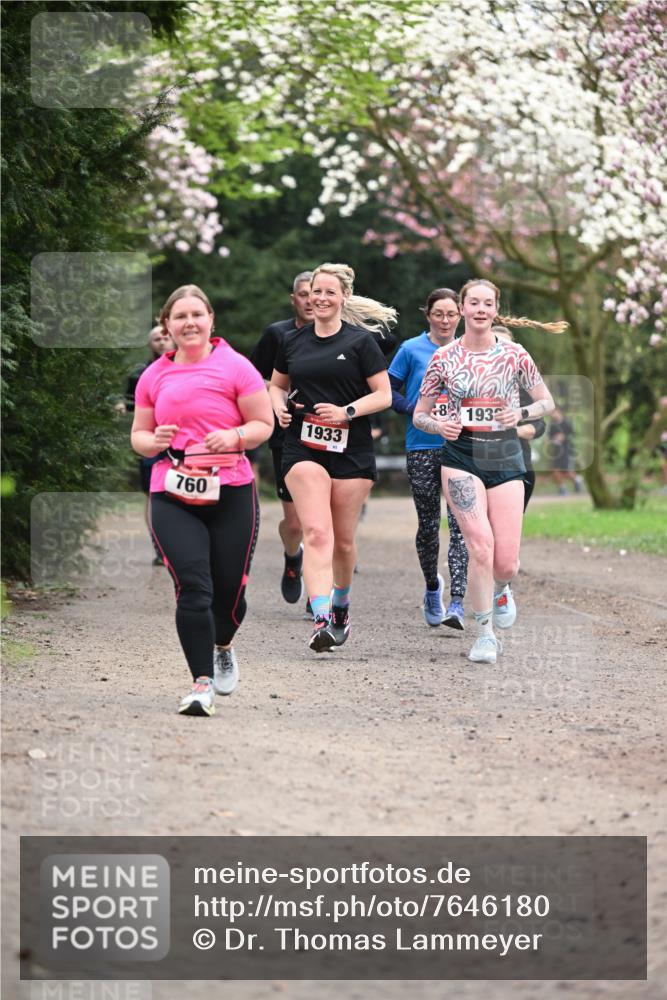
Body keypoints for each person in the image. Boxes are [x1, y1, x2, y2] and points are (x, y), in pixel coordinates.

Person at [131, 285, 273, 716]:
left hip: (231, 488)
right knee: (194, 587)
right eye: (180, 316)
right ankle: (201, 683)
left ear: (211, 319)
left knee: (228, 594)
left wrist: (235, 435)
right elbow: (138, 437)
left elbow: (262, 423)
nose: (189, 323)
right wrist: (151, 441)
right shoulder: (154, 375)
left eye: (197, 314)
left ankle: (224, 644)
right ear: (167, 325)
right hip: (172, 489)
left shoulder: (237, 367)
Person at [414, 279, 563, 664]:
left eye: (488, 304)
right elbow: (420, 413)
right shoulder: (444, 358)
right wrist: (438, 426)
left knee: (505, 561)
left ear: (496, 310)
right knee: (480, 546)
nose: (480, 309)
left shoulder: (514, 354)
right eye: (474, 303)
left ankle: (501, 588)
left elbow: (546, 401)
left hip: (504, 456)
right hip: (461, 456)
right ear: (462, 308)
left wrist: (521, 413)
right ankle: (484, 634)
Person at [269, 263, 394, 651]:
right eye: (313, 292)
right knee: (317, 533)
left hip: (350, 449)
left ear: (343, 298)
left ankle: (340, 607)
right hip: (302, 445)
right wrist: (278, 407)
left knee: (342, 541)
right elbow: (276, 385)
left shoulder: (361, 343)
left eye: (327, 292)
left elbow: (384, 394)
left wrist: (347, 412)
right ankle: (321, 618)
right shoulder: (293, 341)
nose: (319, 299)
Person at [389, 288, 469, 629]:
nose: (446, 320)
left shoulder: (471, 351)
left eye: (451, 314)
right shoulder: (410, 349)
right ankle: (433, 587)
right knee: (428, 525)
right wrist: (414, 410)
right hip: (421, 446)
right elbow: (387, 391)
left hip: (462, 448)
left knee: (462, 525)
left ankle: (458, 602)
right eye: (439, 313)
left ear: (460, 315)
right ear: (428, 315)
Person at [250, 271, 313, 606]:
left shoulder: (346, 336)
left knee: (323, 520)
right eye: (303, 294)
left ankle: (319, 591)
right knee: (296, 522)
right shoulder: (277, 334)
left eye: (315, 293)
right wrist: (278, 395)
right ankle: (293, 557)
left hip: (331, 436)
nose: (310, 300)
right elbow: (252, 379)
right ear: (294, 299)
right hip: (286, 433)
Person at [125, 325, 175, 564]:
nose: (162, 342)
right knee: (154, 495)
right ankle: (160, 548)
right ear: (150, 343)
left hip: (181, 443)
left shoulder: (186, 368)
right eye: (157, 338)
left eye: (166, 337)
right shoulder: (139, 374)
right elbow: (129, 407)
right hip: (151, 443)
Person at [493, 326, 547, 510]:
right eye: (495, 342)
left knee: (508, 532)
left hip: (518, 465)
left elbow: (539, 424)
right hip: (478, 465)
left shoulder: (524, 385)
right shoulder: (468, 379)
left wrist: (516, 430)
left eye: (506, 345)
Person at [548, 406, 583, 495]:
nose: (552, 414)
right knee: (555, 470)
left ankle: (577, 480)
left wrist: (564, 437)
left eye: (553, 412)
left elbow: (573, 436)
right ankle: (562, 488)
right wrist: (553, 439)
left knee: (566, 471)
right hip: (556, 451)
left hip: (567, 450)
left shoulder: (567, 423)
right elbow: (549, 437)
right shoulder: (552, 425)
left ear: (559, 411)